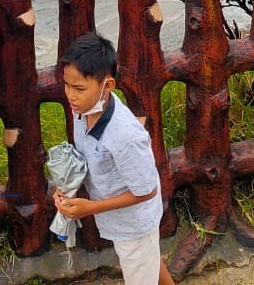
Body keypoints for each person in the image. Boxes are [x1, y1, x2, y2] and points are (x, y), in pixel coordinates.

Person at [53, 33, 174, 285]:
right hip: (120, 219)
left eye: (79, 89)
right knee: (149, 261)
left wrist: (90, 208)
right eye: (66, 85)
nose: (70, 96)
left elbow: (146, 191)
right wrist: (65, 189)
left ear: (107, 86)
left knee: (141, 263)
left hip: (134, 224)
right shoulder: (84, 109)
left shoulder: (125, 136)